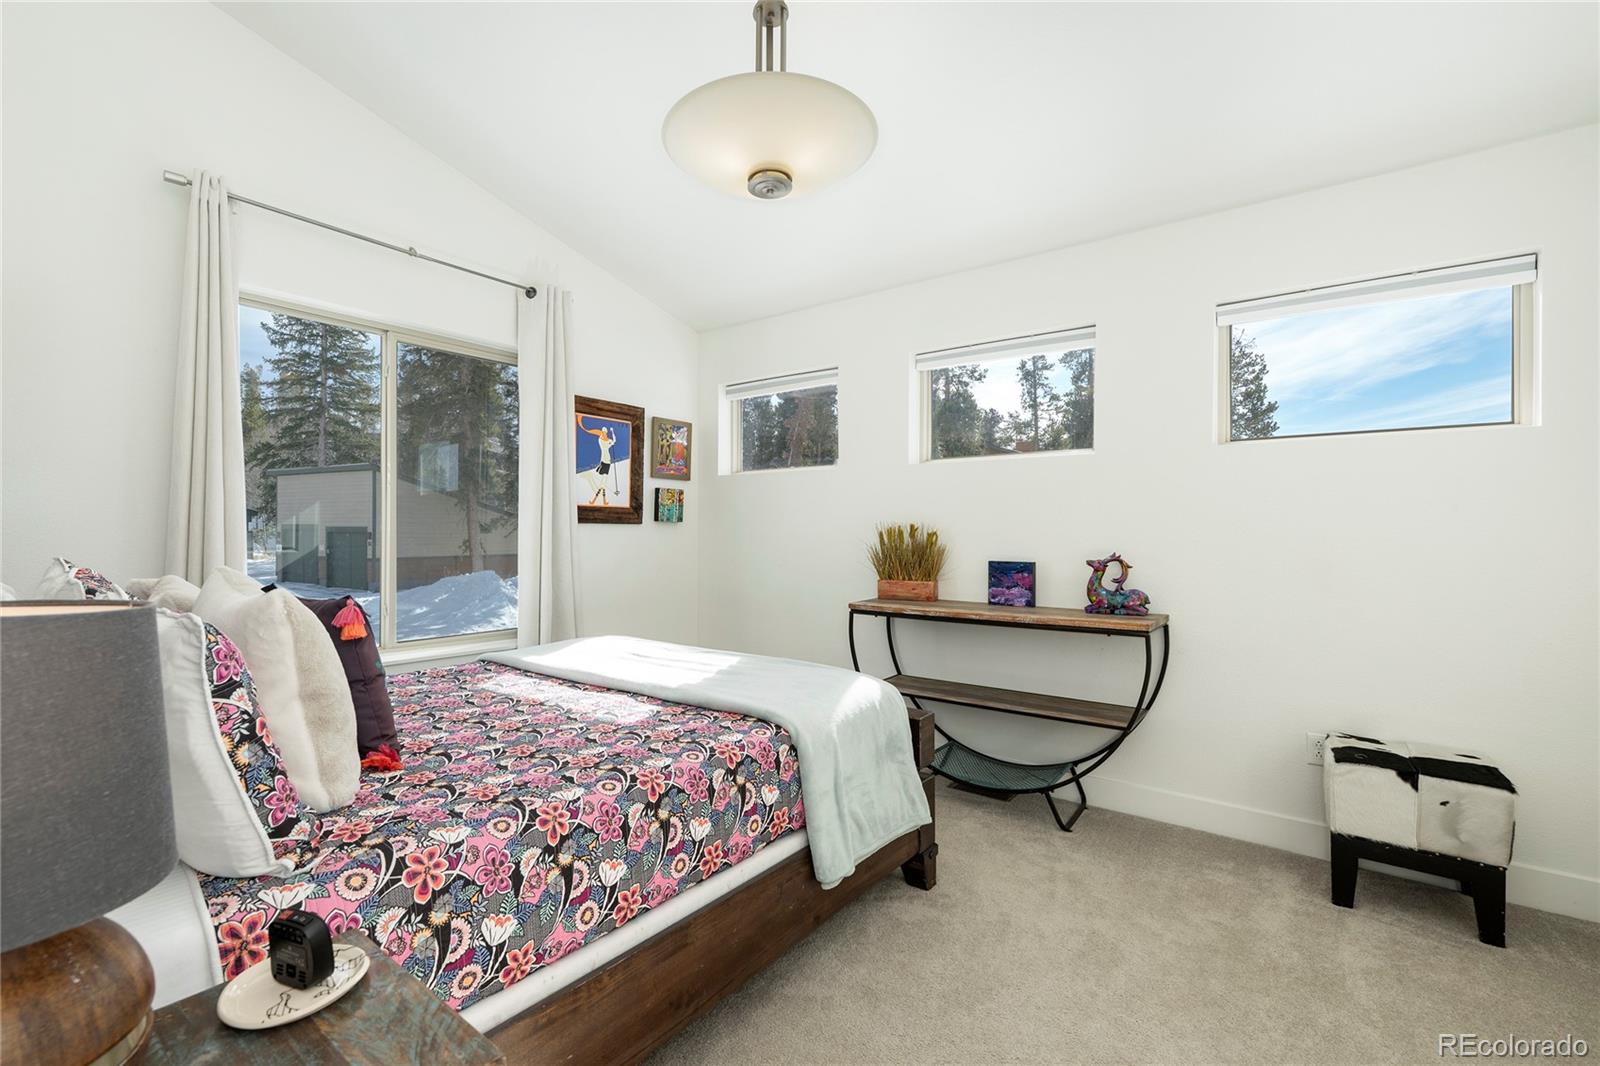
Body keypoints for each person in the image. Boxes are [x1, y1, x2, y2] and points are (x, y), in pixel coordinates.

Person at [577, 414, 619, 506]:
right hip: (604, 462)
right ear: (602, 432)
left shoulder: (607, 440)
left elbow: (614, 440)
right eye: (603, 432)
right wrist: (610, 434)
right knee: (602, 482)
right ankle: (597, 500)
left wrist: (612, 432)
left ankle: (600, 500)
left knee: (603, 482)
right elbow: (611, 441)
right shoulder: (601, 441)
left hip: (608, 462)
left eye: (605, 432)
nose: (605, 433)